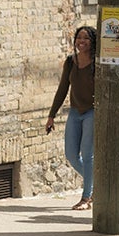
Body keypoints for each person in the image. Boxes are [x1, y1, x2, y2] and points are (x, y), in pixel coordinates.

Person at [45, 26, 97, 211]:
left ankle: (86, 197)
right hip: (75, 112)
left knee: (87, 154)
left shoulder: (97, 63)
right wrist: (52, 115)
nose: (81, 41)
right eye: (78, 38)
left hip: (92, 111)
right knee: (71, 155)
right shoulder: (70, 62)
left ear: (93, 42)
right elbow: (62, 89)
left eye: (86, 38)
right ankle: (98, 185)